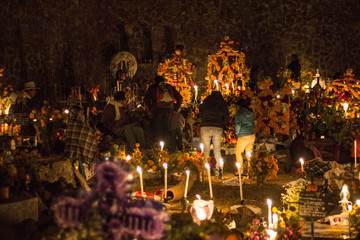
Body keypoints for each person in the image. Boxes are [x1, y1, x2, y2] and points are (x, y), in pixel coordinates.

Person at [144, 75, 183, 146]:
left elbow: (146, 99)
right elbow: (180, 98)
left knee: (157, 128)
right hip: (169, 110)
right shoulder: (169, 87)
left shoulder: (152, 88)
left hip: (157, 110)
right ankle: (167, 146)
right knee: (167, 128)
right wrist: (175, 109)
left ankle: (158, 145)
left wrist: (151, 108)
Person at [199, 91, 229, 175]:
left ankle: (204, 171)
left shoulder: (206, 101)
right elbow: (226, 116)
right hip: (218, 127)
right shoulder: (222, 103)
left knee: (206, 150)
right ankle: (219, 171)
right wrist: (222, 123)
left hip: (205, 126)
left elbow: (199, 111)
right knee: (217, 150)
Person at [235, 99, 255, 174]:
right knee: (249, 153)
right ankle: (251, 170)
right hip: (252, 134)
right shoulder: (250, 112)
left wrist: (238, 134)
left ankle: (240, 171)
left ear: (239, 106)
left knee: (238, 152)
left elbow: (238, 125)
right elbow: (253, 124)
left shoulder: (238, 114)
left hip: (243, 135)